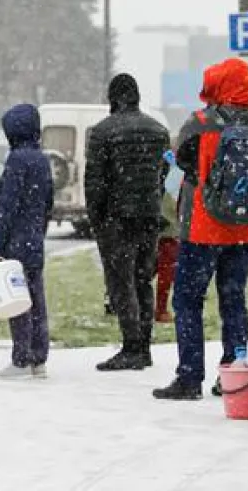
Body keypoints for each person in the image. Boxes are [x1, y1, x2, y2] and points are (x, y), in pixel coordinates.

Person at [153, 58, 248, 401]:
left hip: (203, 226)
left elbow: (181, 160)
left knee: (187, 300)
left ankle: (189, 376)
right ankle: (235, 368)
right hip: (245, 226)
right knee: (233, 298)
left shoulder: (200, 123)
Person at [85, 73, 171, 372]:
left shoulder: (102, 132)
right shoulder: (158, 130)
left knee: (120, 283)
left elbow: (94, 182)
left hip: (116, 217)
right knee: (143, 279)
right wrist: (152, 201)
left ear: (112, 97)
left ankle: (131, 346)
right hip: (149, 215)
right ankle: (144, 346)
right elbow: (163, 174)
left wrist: (95, 219)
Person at [0, 103, 55, 379]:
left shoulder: (16, 161)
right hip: (34, 240)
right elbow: (48, 203)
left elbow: (6, 207)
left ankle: (21, 358)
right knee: (37, 300)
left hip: (16, 243)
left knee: (16, 301)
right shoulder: (41, 159)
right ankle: (39, 358)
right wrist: (39, 231)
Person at [153, 187, 180, 324]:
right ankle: (161, 310)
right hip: (170, 230)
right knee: (167, 272)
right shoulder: (175, 173)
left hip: (168, 229)